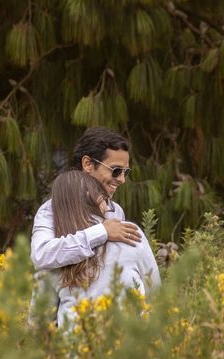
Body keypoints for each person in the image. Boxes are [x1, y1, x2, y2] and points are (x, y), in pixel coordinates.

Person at [47, 171, 160, 327]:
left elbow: (40, 319)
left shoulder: (53, 253)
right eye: (103, 197)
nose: (108, 205)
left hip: (75, 346)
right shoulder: (128, 232)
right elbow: (154, 290)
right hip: (130, 342)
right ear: (90, 196)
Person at [30, 127, 140, 271]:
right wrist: (102, 232)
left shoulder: (115, 211)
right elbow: (41, 256)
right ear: (87, 164)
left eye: (126, 172)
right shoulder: (51, 208)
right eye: (116, 171)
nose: (122, 180)